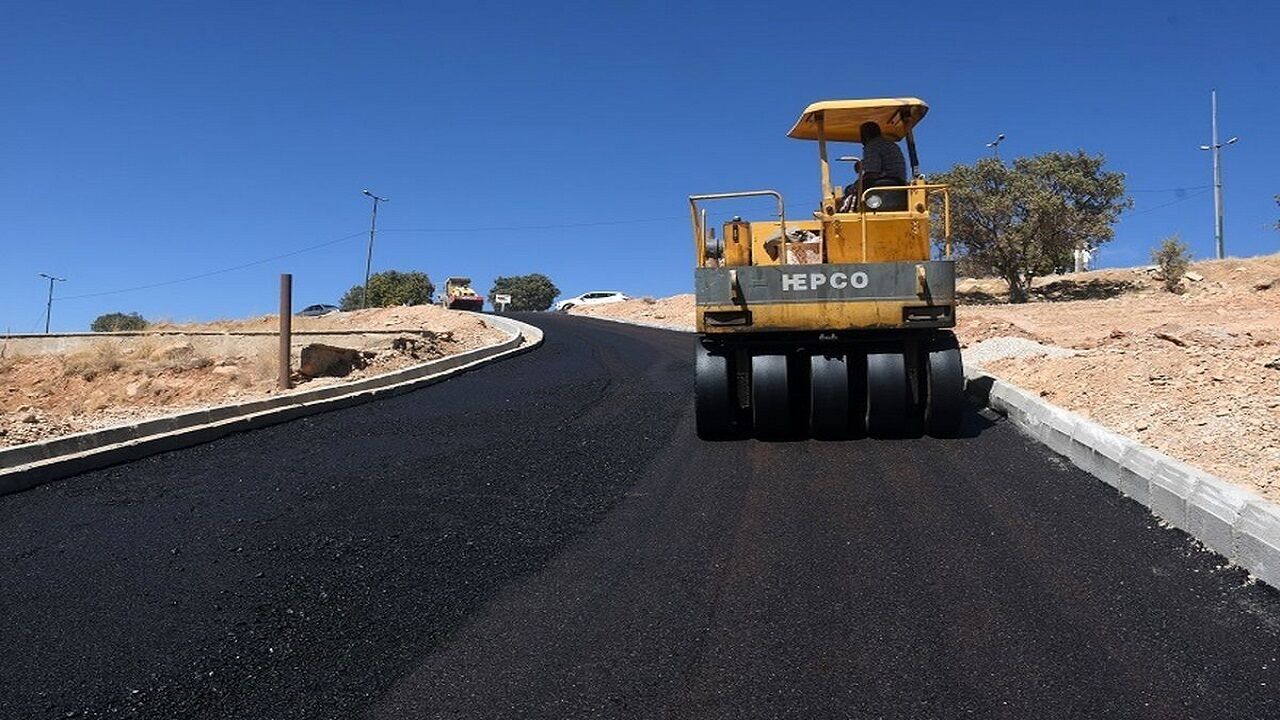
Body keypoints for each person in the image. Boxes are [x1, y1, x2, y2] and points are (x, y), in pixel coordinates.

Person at [859, 121, 907, 188]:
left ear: (864, 135)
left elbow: (872, 173)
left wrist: (856, 185)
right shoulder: (890, 144)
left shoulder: (872, 146)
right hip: (901, 182)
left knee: (855, 187)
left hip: (888, 181)